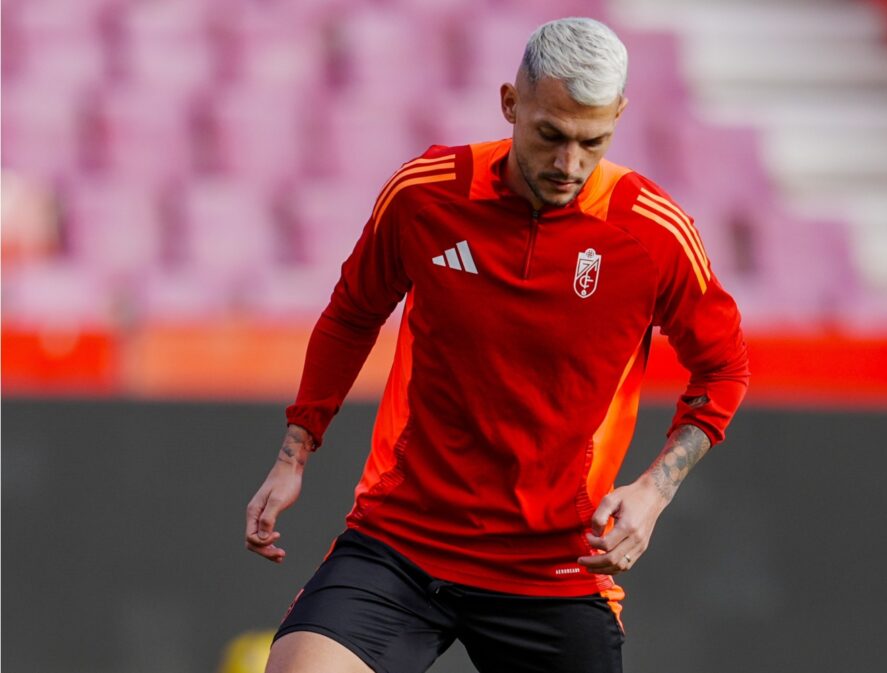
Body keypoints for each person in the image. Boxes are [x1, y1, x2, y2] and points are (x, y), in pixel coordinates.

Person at [245, 17, 749, 673]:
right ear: (511, 103)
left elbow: (724, 366)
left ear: (619, 116)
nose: (569, 164)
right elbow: (352, 312)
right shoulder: (428, 194)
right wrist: (297, 447)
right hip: (402, 540)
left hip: (558, 567)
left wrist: (655, 490)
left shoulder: (651, 233)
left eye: (591, 141)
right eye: (550, 135)